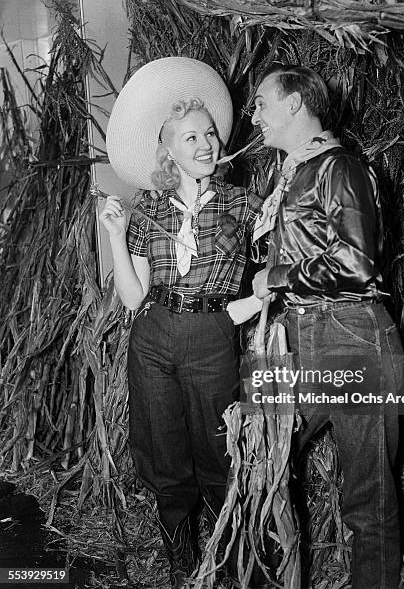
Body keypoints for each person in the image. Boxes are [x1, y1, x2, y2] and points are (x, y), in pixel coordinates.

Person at [100, 57, 263, 589]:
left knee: (218, 449)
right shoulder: (150, 209)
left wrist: (245, 308)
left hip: (212, 337)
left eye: (209, 133)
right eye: (189, 137)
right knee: (164, 451)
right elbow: (131, 297)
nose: (204, 145)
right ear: (168, 149)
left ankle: (226, 555)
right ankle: (179, 555)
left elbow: (289, 263)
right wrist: (115, 237)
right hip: (153, 336)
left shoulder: (245, 205)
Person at [250, 65, 403, 589]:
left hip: (353, 334)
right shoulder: (294, 173)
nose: (255, 115)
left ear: (294, 104)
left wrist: (278, 275)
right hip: (300, 336)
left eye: (262, 103)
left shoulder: (340, 168)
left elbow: (359, 263)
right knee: (263, 467)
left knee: (369, 495)